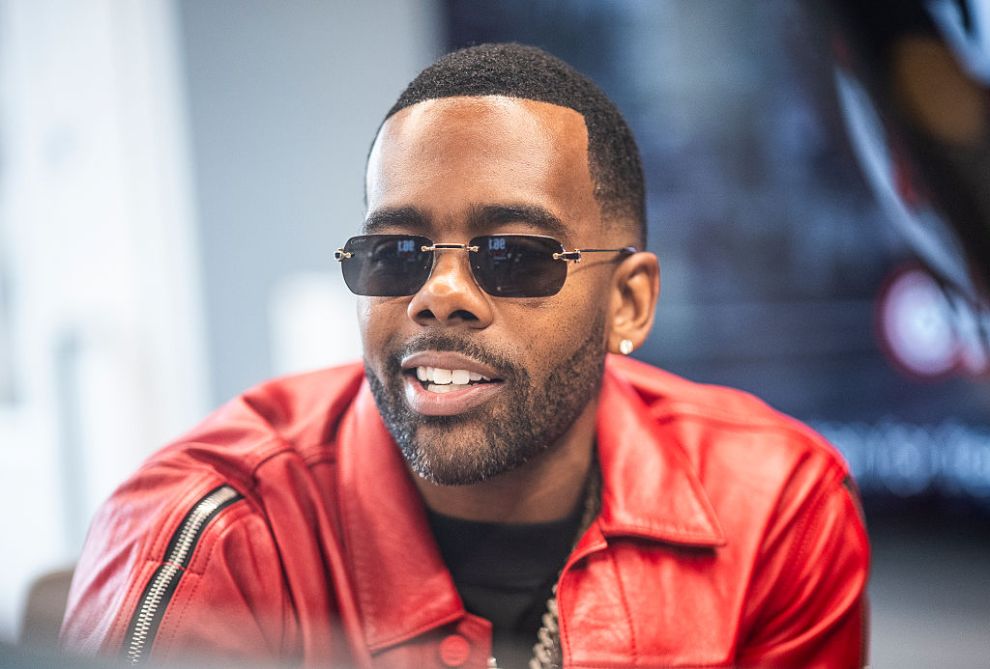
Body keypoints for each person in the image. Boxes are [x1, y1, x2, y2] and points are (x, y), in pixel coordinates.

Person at [60, 43, 869, 669]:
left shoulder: (776, 507)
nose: (438, 293)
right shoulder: (211, 540)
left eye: (514, 253)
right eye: (397, 250)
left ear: (628, 302)